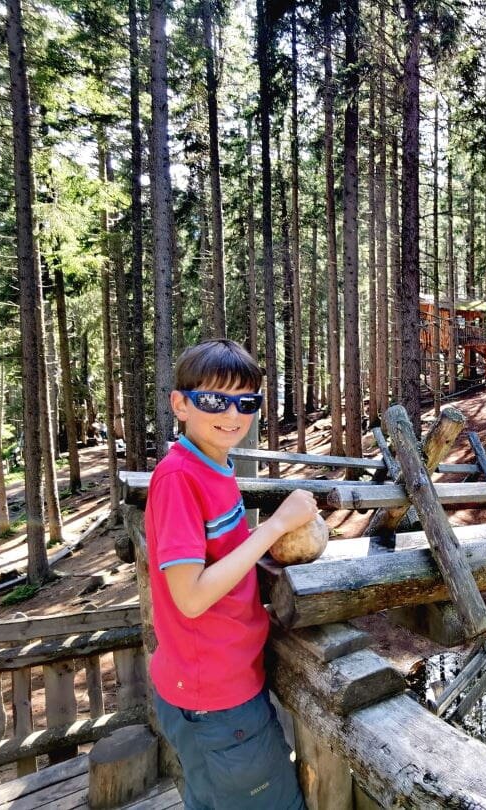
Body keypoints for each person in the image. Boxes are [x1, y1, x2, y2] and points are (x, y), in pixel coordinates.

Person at [146, 339, 315, 810]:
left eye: (247, 402)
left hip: (218, 687)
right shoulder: (180, 478)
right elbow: (192, 597)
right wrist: (278, 526)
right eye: (215, 400)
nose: (233, 413)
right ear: (181, 404)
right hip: (216, 698)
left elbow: (221, 555)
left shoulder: (214, 466)